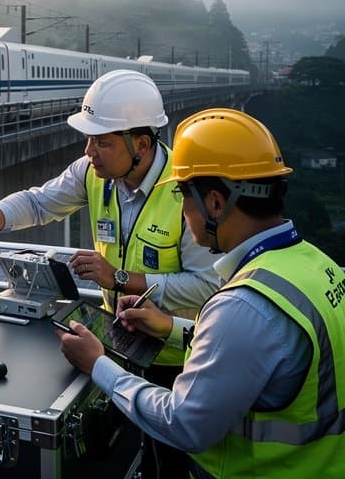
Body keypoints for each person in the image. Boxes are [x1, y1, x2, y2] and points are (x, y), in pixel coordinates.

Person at [0, 68, 219, 479]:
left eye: (101, 141)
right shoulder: (94, 175)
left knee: (169, 466)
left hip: (176, 360)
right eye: (89, 139)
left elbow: (208, 285)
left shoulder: (183, 193)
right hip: (119, 343)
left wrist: (119, 278)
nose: (89, 150)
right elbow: (40, 202)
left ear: (142, 144)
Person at [56, 108, 345, 478]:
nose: (181, 209)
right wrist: (173, 328)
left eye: (182, 195)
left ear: (215, 203)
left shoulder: (243, 306)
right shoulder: (316, 265)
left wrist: (98, 364)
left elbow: (184, 424)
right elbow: (263, 354)